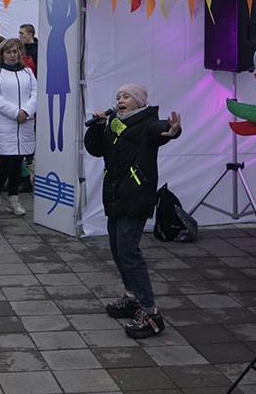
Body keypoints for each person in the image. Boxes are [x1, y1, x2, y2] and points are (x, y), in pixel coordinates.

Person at [83, 83, 181, 339]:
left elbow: (161, 130)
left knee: (129, 251)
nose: (121, 99)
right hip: (116, 196)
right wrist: (97, 125)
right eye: (118, 96)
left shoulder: (146, 123)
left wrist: (172, 130)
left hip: (136, 196)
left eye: (126, 96)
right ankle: (132, 296)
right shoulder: (115, 123)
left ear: (139, 101)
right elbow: (95, 149)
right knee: (117, 249)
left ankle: (151, 314)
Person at [0, 38, 36, 218]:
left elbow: (35, 93)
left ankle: (13, 198)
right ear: (2, 54)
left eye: (15, 51)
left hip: (24, 124)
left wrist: (27, 110)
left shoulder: (27, 72)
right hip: (6, 122)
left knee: (18, 161)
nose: (13, 55)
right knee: (7, 161)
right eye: (9, 52)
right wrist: (16, 112)